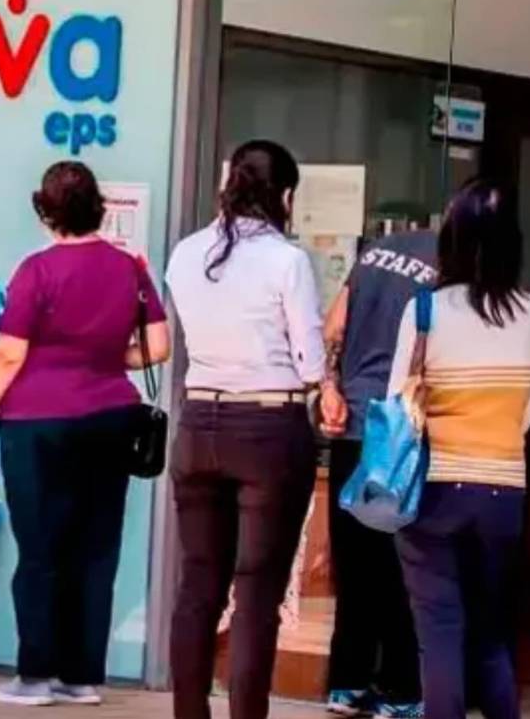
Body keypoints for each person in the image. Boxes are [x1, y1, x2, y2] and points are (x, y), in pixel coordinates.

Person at [0, 161, 171, 707]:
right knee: (95, 547)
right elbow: (160, 345)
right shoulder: (129, 267)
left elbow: (8, 353)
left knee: (42, 547)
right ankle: (81, 678)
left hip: (38, 421)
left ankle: (34, 676)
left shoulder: (37, 270)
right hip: (110, 415)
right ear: (99, 207)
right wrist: (106, 359)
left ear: (46, 211)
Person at [165, 140, 346, 719]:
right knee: (257, 592)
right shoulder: (286, 260)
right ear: (286, 195)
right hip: (267, 427)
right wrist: (329, 390)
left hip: (197, 423)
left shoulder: (186, 252)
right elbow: (309, 355)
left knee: (197, 587)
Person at [391, 178, 530, 719]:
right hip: (503, 491)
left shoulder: (425, 311)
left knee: (439, 632)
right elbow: (529, 411)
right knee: (491, 634)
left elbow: (397, 405)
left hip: (433, 490)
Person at [322, 228, 437, 719]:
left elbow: (333, 326)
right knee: (399, 565)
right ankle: (399, 688)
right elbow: (427, 351)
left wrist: (331, 384)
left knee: (354, 565)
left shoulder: (374, 255)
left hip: (351, 421)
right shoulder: (450, 265)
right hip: (399, 432)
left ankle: (345, 684)